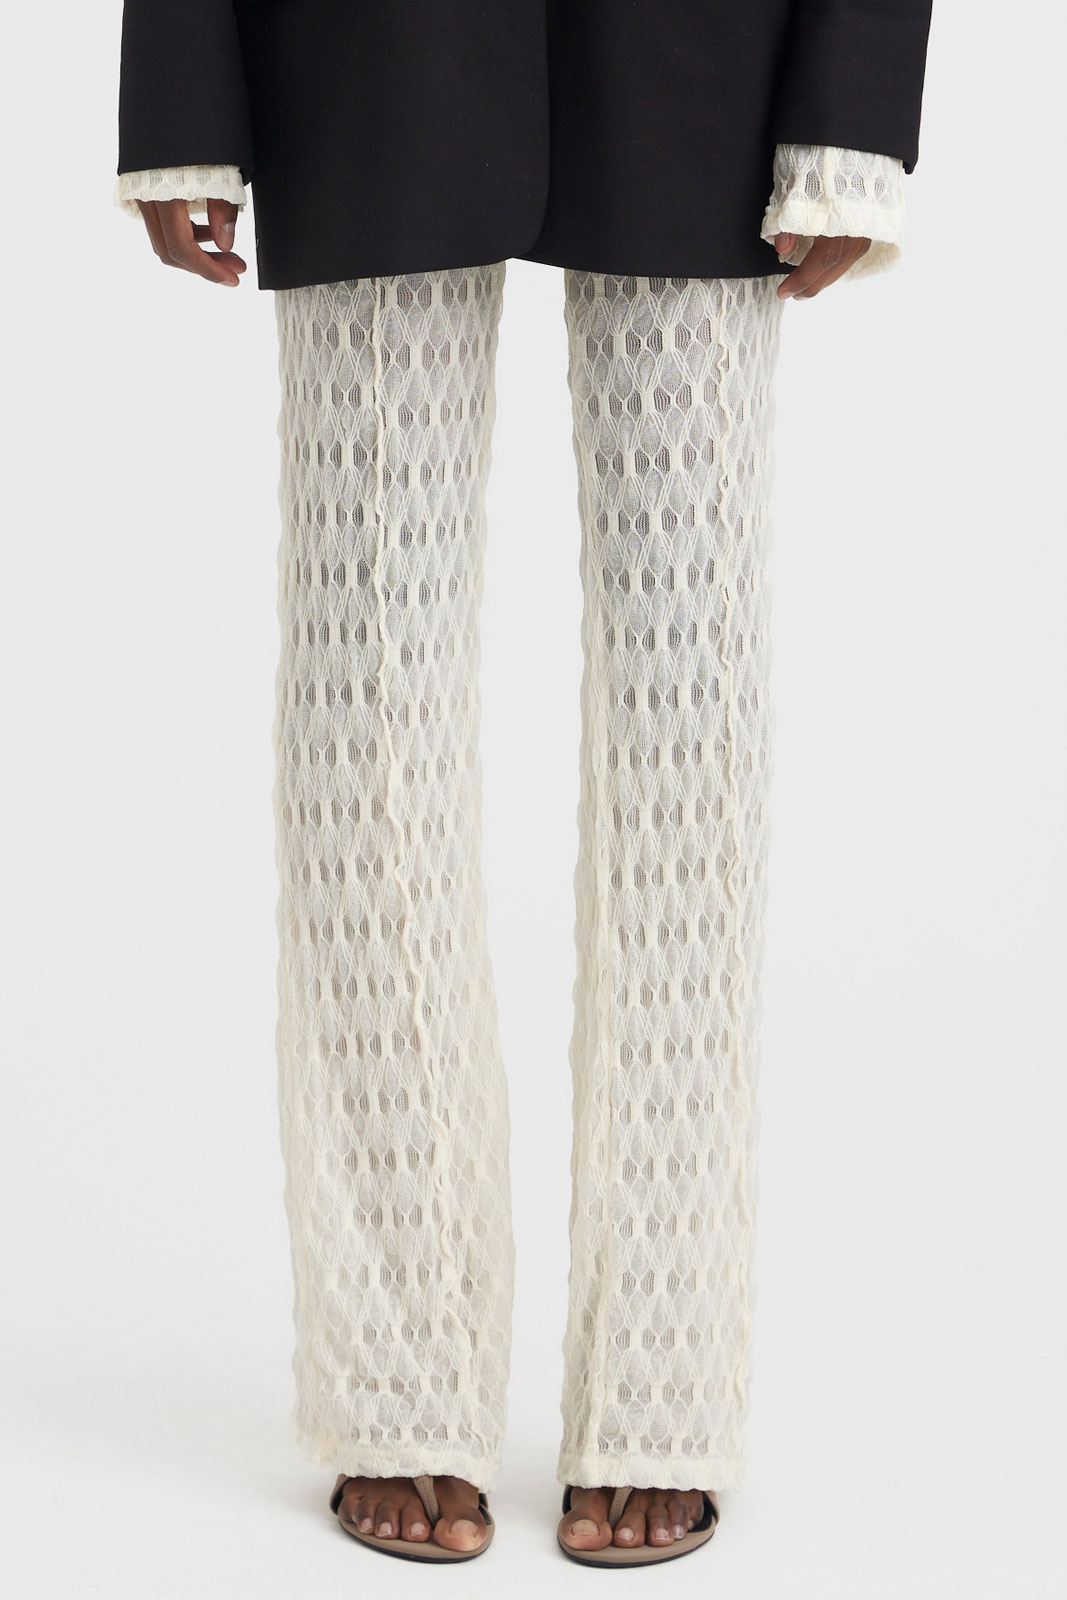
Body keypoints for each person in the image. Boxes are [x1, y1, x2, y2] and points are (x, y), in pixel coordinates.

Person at [114, 0, 933, 1570]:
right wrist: (183, 91)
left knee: (692, 710)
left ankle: (664, 1379)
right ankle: (398, 1374)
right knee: (364, 695)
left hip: (709, 48)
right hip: (362, 46)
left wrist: (853, 107)